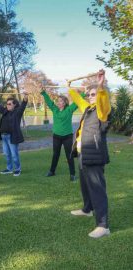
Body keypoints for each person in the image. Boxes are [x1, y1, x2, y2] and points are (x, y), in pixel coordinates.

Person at [69, 69, 111, 238]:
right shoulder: (88, 108)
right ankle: (87, 209)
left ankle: (103, 226)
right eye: (89, 94)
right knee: (85, 185)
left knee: (97, 190)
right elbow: (78, 99)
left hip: (94, 155)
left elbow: (103, 101)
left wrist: (100, 87)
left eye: (93, 94)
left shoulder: (102, 110)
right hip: (83, 154)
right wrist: (70, 87)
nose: (90, 96)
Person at [41, 89, 80, 181]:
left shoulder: (69, 109)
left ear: (65, 102)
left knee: (69, 155)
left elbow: (77, 102)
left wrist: (82, 93)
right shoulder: (55, 109)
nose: (58, 102)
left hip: (67, 136)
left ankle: (72, 174)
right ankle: (52, 171)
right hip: (56, 136)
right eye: (57, 101)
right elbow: (49, 102)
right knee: (55, 154)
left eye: (60, 101)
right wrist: (43, 93)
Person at [0, 91, 29, 176]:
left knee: (14, 154)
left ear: (14, 105)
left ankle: (18, 169)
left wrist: (25, 97)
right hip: (4, 136)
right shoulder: (5, 111)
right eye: (7, 104)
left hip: (12, 137)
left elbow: (23, 105)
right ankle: (9, 169)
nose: (8, 105)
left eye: (10, 104)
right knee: (7, 154)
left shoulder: (17, 112)